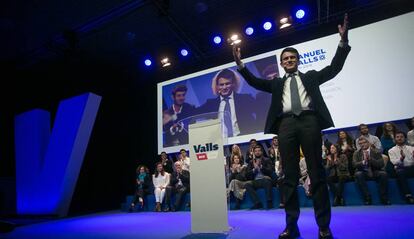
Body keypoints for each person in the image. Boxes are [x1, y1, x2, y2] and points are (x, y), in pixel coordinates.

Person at [233, 13, 350, 239]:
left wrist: (343, 42)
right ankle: (291, 227)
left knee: (317, 174)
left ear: (298, 60)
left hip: (309, 121)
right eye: (285, 59)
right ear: (281, 63)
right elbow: (256, 82)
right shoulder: (277, 83)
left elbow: (335, 67)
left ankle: (323, 227)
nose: (289, 61)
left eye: (292, 58)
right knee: (289, 177)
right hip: (285, 125)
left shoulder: (311, 77)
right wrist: (241, 66)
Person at [196, 68, 258, 137]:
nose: (224, 87)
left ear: (233, 84)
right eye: (221, 85)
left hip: (242, 139)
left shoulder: (245, 99)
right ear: (217, 86)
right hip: (220, 142)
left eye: (227, 84)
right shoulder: (210, 104)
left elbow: (261, 111)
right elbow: (194, 113)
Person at [353, 136, 390, 205]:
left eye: (364, 142)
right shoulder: (356, 153)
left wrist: (371, 160)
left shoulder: (376, 151)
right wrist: (363, 162)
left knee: (383, 174)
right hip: (364, 172)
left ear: (368, 143)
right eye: (360, 143)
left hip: (375, 171)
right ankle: (367, 198)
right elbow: (354, 164)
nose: (362, 144)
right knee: (358, 174)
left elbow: (381, 164)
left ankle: (384, 198)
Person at [388, 131, 414, 204]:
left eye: (401, 137)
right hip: (402, 169)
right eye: (397, 137)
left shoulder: (411, 148)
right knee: (400, 171)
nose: (399, 138)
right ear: (395, 139)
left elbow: (412, 162)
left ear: (405, 138)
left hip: (411, 168)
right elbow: (394, 162)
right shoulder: (391, 150)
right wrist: (401, 159)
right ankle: (408, 195)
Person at [244, 145, 273, 209]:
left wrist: (261, 167)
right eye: (256, 151)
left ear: (261, 152)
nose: (257, 152)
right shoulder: (251, 162)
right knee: (247, 185)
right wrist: (254, 170)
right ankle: (257, 203)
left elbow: (270, 171)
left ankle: (269, 202)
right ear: (254, 153)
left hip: (265, 179)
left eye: (259, 151)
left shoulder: (267, 160)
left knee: (267, 181)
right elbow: (247, 175)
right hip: (256, 181)